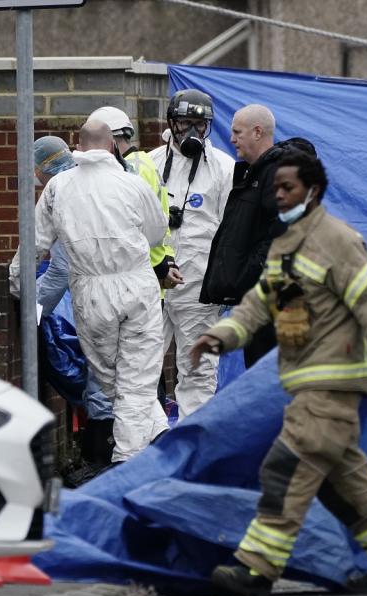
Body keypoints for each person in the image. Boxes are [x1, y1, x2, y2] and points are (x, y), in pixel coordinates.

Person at [190, 150, 367, 596]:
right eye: (275, 188)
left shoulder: (337, 241)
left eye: (288, 188)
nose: (278, 196)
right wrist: (221, 335)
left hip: (329, 386)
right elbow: (261, 302)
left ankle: (256, 570)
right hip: (308, 383)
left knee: (285, 469)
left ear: (312, 191)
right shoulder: (286, 242)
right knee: (345, 482)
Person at [35, 121, 170, 463]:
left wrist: (14, 284)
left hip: (92, 293)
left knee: (113, 380)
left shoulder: (58, 188)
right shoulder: (132, 184)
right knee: (135, 380)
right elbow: (156, 232)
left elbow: (35, 243)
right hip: (135, 285)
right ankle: (135, 453)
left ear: (78, 145)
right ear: (111, 146)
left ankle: (146, 444)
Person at [9, 136, 115, 476]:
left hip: (97, 296)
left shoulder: (63, 192)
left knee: (100, 379)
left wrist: (29, 303)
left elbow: (59, 265)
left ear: (42, 166)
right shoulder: (98, 183)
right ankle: (110, 459)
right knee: (119, 378)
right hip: (123, 291)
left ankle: (101, 463)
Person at [200, 103, 316, 367]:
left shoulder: (277, 174)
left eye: (237, 132)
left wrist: (249, 274)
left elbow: (286, 236)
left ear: (257, 132)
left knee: (271, 378)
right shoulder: (256, 173)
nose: (231, 139)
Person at [148, 89, 234, 419]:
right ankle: (142, 447)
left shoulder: (224, 168)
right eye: (186, 123)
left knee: (197, 373)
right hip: (153, 288)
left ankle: (192, 447)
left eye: (201, 124)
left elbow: (229, 230)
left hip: (199, 292)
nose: (193, 132)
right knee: (141, 369)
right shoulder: (149, 164)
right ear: (172, 123)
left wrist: (222, 283)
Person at [88, 106, 184, 292]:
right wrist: (166, 263)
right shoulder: (143, 162)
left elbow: (140, 227)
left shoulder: (128, 169)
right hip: (148, 275)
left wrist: (160, 266)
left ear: (109, 140)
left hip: (138, 277)